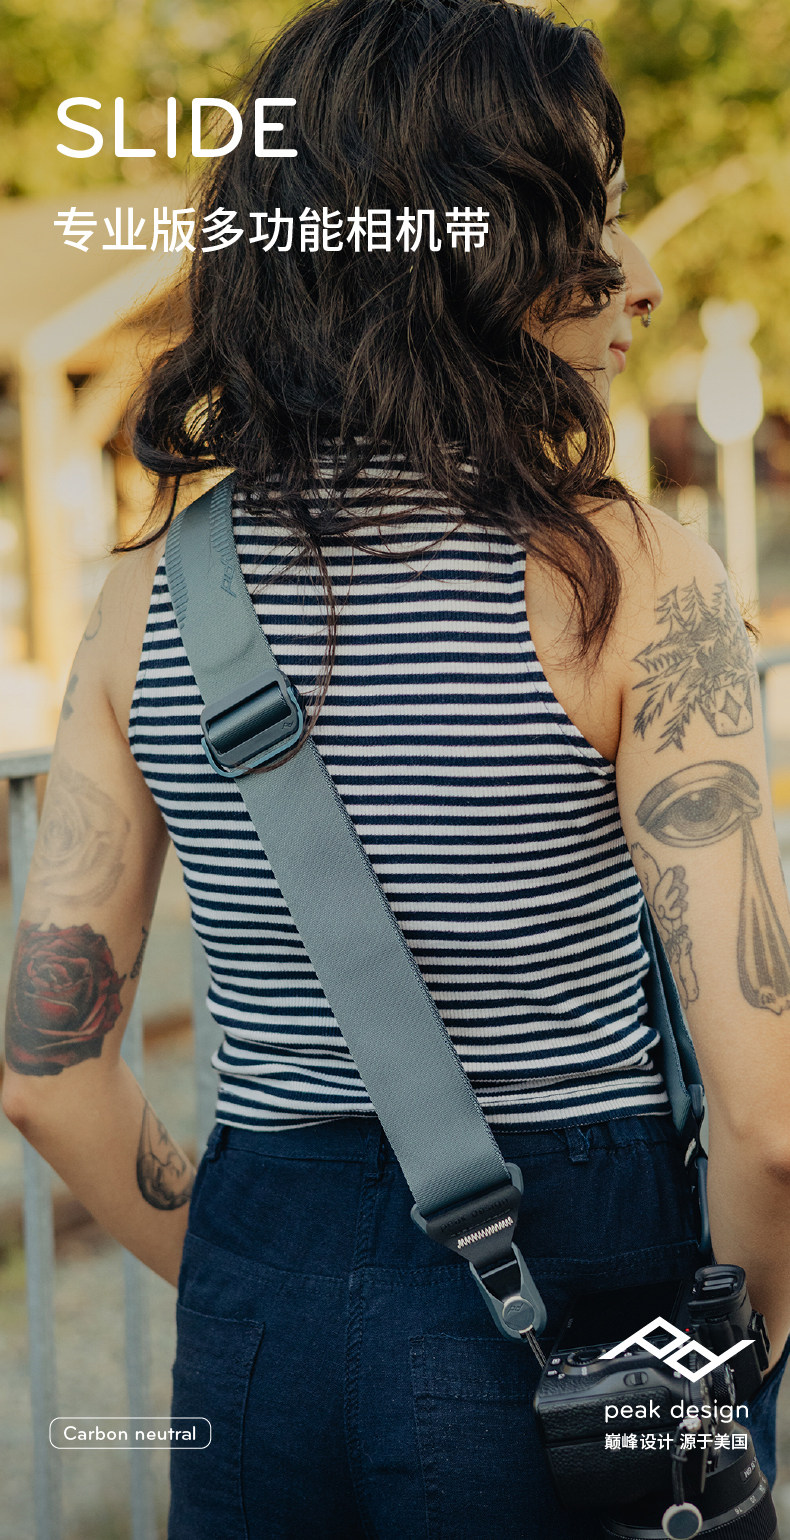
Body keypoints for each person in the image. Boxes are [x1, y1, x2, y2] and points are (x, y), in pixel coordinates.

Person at [4, 1, 790, 1535]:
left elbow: (49, 1080)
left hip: (259, 1317)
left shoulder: (150, 591)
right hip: (581, 1287)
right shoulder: (629, 580)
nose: (636, 273)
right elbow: (769, 1121)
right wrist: (725, 1365)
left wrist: (273, 1284)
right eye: (588, 215)